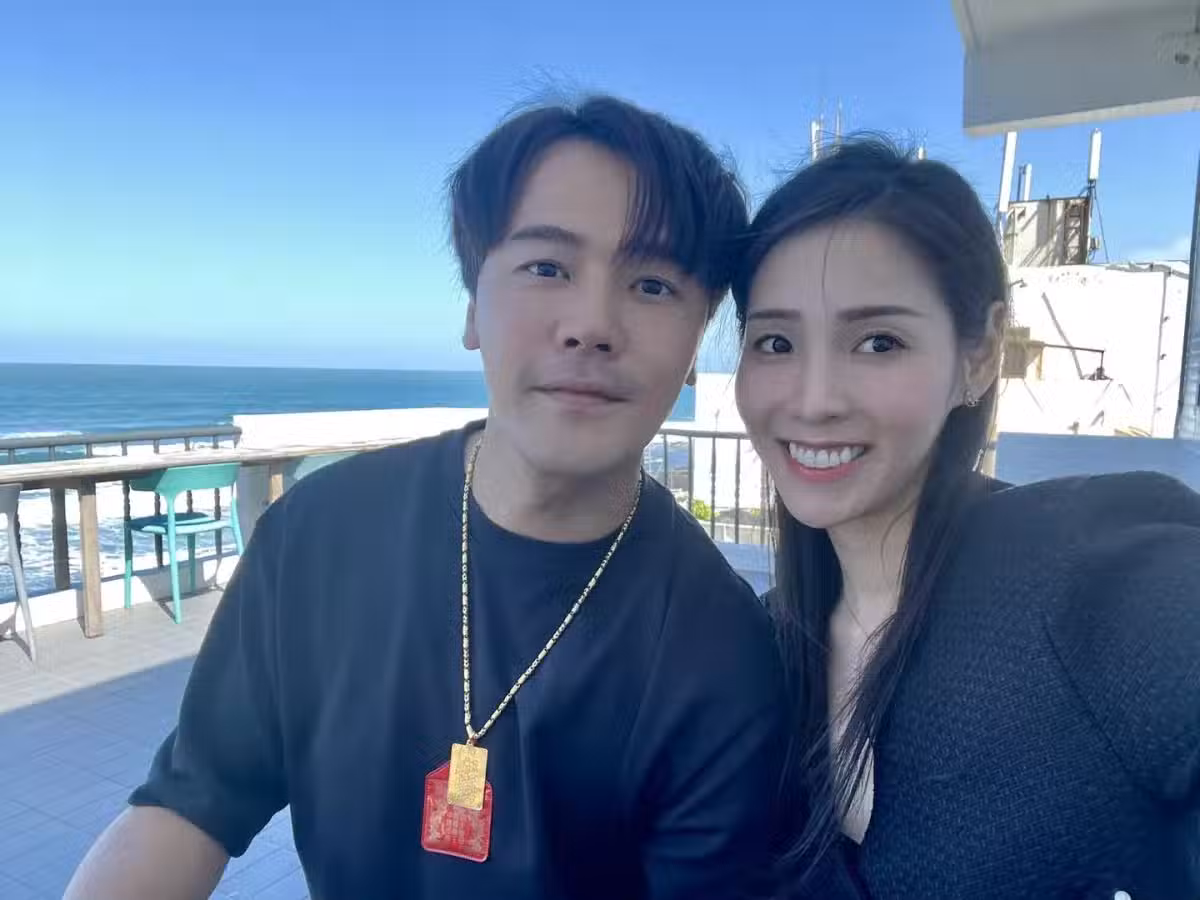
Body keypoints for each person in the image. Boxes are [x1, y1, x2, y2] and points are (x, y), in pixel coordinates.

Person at [67, 96, 788, 900]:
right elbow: (188, 805)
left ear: (696, 345)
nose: (591, 324)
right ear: (473, 307)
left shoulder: (720, 648)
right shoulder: (316, 537)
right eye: (547, 268)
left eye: (652, 285)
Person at [733, 138, 1200, 899]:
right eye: (775, 342)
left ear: (977, 358)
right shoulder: (768, 644)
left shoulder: (1090, 575)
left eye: (878, 342)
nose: (814, 400)